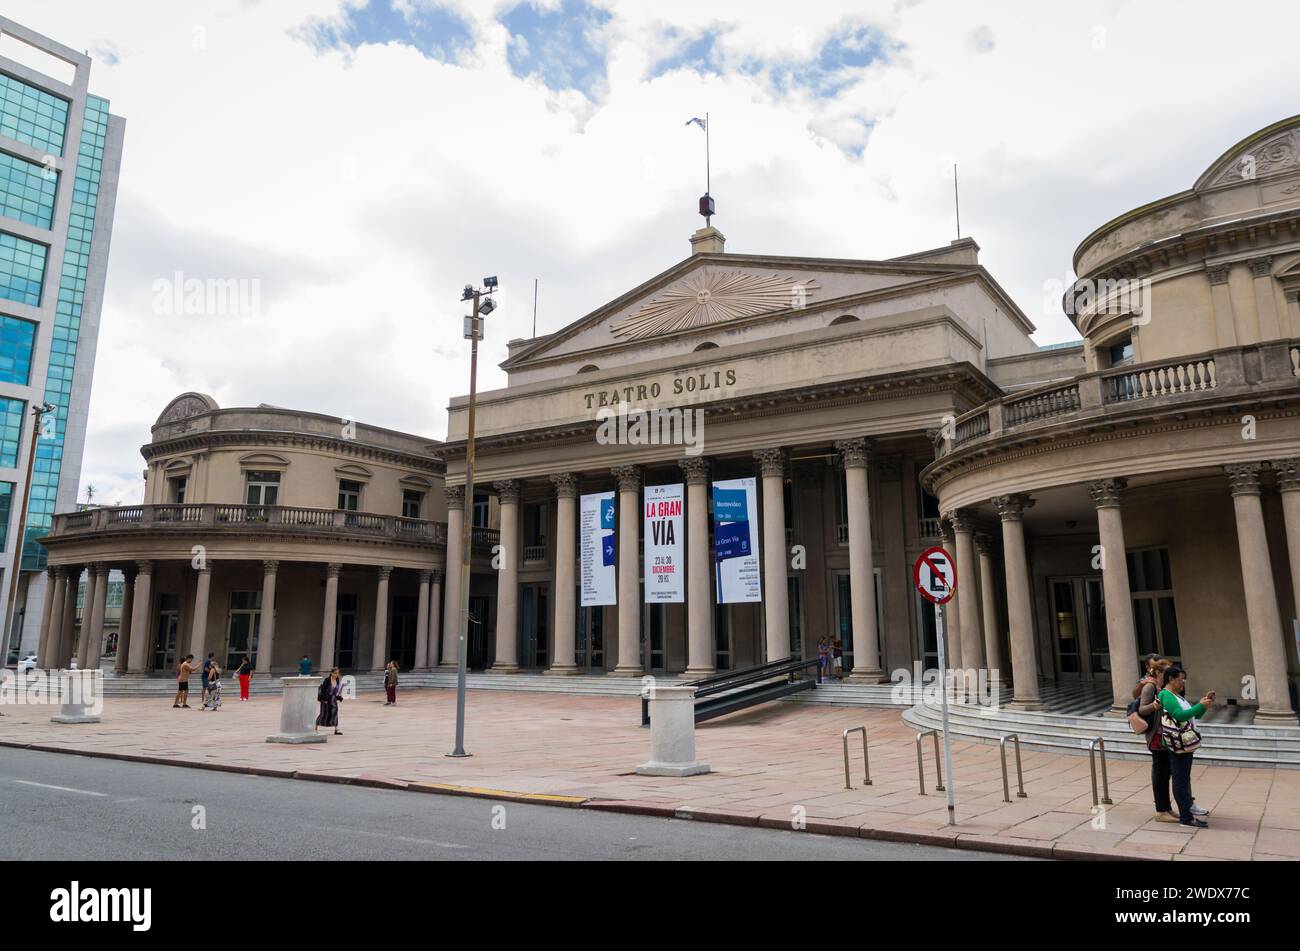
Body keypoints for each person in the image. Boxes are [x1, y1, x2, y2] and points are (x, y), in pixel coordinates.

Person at [1159, 666, 1214, 828]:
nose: (1183, 682)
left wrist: (1204, 705)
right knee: (1180, 780)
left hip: (1185, 742)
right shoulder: (1165, 695)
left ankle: (1187, 813)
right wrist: (1200, 705)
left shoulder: (1178, 696)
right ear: (1171, 679)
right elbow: (1179, 715)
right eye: (1181, 678)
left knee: (1183, 778)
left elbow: (1194, 715)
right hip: (1177, 743)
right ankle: (1186, 818)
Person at [1135, 658, 1176, 822]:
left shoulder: (1163, 687)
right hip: (1156, 736)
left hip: (1166, 734)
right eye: (1166, 673)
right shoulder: (1150, 687)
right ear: (1158, 672)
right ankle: (1161, 810)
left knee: (1166, 773)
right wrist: (1155, 705)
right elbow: (1142, 709)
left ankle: (1167, 808)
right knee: (1160, 773)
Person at [316, 667, 343, 735]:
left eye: (338, 673)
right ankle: (315, 726)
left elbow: (336, 690)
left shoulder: (337, 680)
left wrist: (339, 697)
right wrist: (324, 699)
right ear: (331, 673)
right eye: (335, 673)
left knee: (335, 713)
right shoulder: (327, 680)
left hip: (333, 700)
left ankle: (336, 729)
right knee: (323, 713)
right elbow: (323, 690)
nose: (337, 674)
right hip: (326, 700)